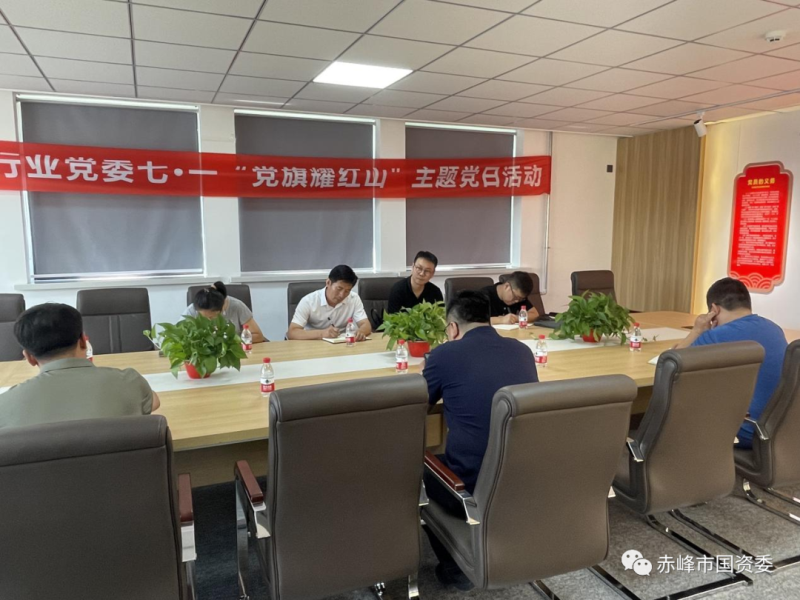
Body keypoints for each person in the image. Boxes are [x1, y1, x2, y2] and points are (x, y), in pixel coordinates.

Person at [422, 290, 538, 589]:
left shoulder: (444, 354)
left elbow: (418, 407)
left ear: (452, 328)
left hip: (471, 484)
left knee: (417, 468)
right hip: (524, 477)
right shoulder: (522, 350)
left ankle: (457, 569)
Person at [0, 303, 160, 429]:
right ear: (84, 341)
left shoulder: (5, 406)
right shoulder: (130, 382)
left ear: (29, 357)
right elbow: (153, 403)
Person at [674, 277, 787, 449]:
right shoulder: (774, 329)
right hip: (780, 429)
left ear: (714, 310)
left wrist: (697, 330)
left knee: (682, 406)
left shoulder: (717, 336)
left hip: (747, 430)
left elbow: (672, 363)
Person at [287, 265, 372, 341]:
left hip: (341, 344)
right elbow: (292, 332)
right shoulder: (308, 301)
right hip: (313, 343)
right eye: (339, 289)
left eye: (347, 291)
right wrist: (322, 334)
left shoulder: (354, 298)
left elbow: (366, 325)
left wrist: (360, 332)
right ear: (328, 282)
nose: (342, 295)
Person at [183, 281, 266, 342]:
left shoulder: (237, 306)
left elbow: (258, 336)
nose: (208, 321)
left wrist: (229, 341)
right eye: (203, 317)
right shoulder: (191, 311)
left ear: (222, 307)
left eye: (211, 317)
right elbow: (180, 338)